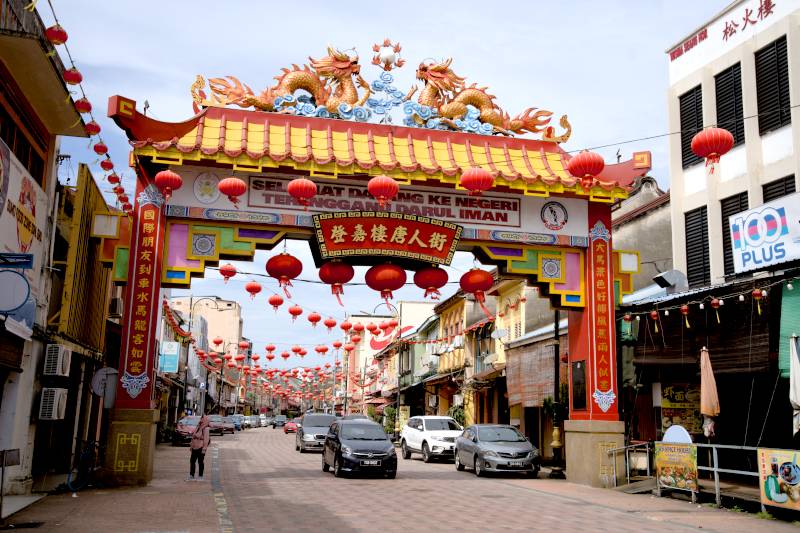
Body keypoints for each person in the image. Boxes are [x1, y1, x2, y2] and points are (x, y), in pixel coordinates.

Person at [189, 415, 210, 481]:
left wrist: (204, 448)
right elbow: (193, 437)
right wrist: (191, 446)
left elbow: (206, 440)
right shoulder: (198, 426)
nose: (201, 420)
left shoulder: (206, 429)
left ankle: (200, 476)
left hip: (201, 447)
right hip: (194, 447)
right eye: (201, 418)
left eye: (202, 419)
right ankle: (191, 475)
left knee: (200, 462)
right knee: (192, 461)